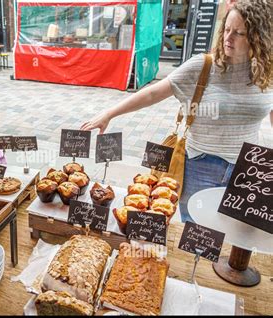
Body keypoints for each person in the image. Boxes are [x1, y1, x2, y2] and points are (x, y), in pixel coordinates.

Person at [81, 0, 272, 222]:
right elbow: (153, 93)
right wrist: (108, 114)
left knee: (232, 232)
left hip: (247, 169)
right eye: (227, 29)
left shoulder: (267, 73)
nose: (228, 38)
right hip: (201, 164)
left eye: (239, 33)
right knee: (198, 232)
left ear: (259, 37)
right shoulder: (203, 66)